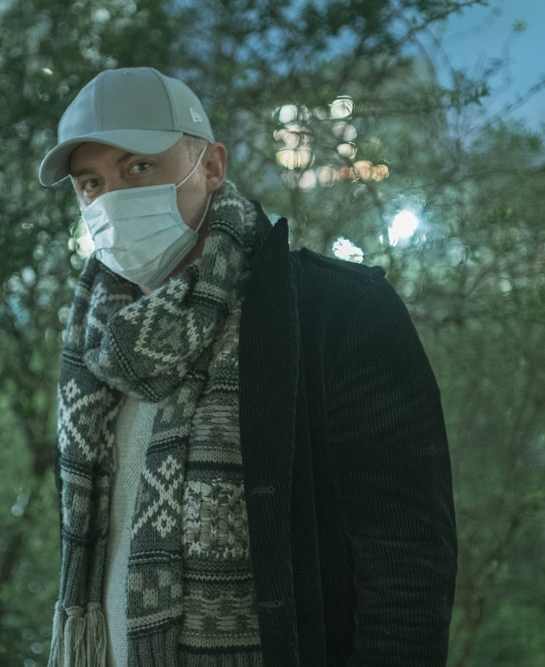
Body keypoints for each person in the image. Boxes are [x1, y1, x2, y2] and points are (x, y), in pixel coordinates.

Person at [37, 67, 456, 667]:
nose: (112, 201)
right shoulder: (94, 347)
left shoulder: (332, 312)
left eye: (138, 168)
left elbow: (408, 566)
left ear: (210, 166)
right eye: (91, 184)